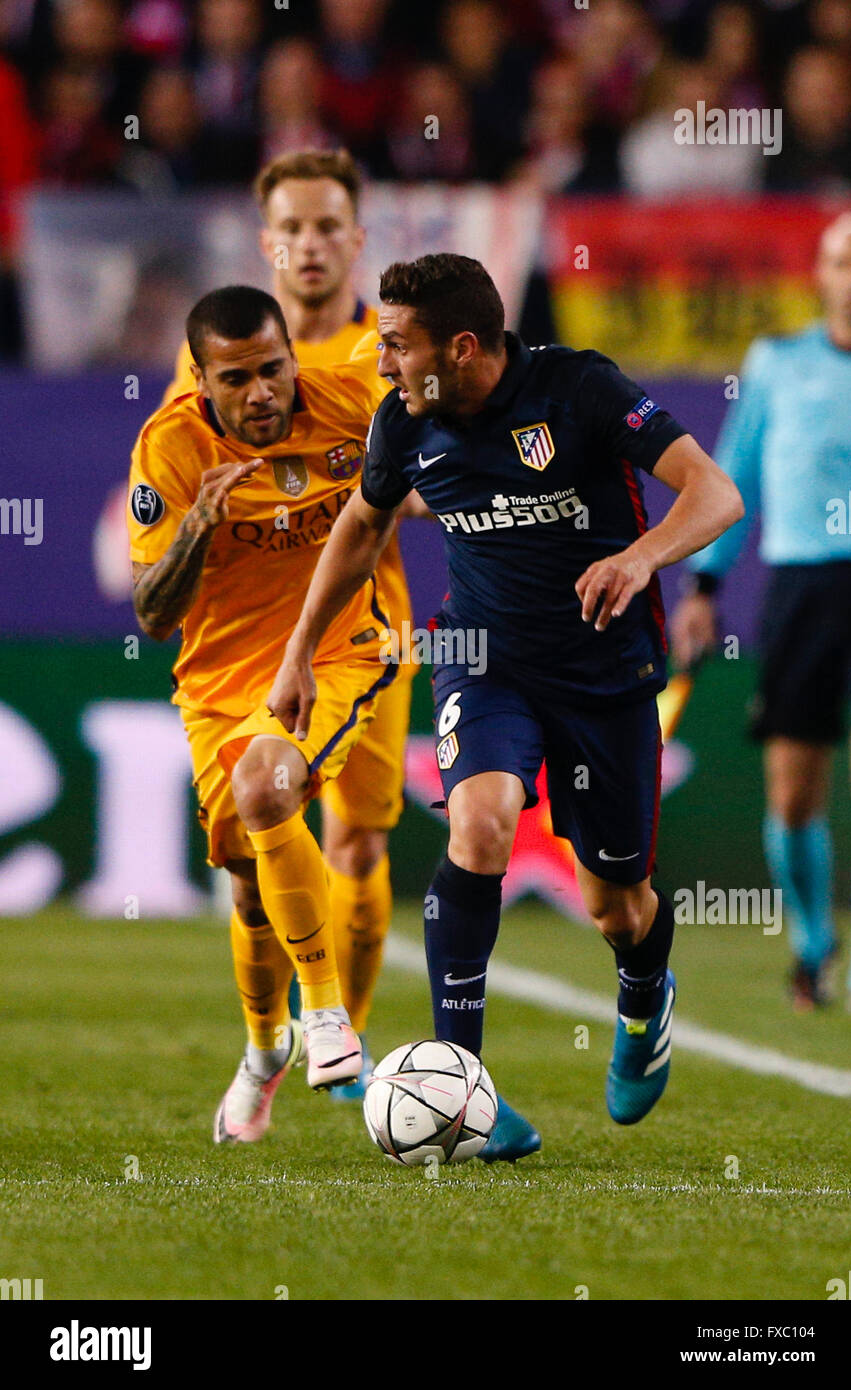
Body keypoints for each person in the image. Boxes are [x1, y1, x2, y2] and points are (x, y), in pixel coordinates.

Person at [266, 253, 743, 1142]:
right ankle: (464, 1092)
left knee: (617, 906)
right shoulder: (402, 423)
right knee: (479, 824)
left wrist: (639, 558)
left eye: (398, 345)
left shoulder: (580, 391)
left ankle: (643, 998)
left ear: (460, 346)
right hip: (481, 659)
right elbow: (361, 527)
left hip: (605, 677)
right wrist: (297, 653)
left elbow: (716, 494)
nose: (382, 363)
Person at [165, 149, 415, 1102]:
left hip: (361, 628)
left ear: (356, 241)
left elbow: (429, 477)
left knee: (356, 840)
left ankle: (338, 1049)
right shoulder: (211, 363)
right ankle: (273, 1039)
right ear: (267, 243)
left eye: (327, 227)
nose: (310, 245)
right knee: (252, 848)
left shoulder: (379, 356)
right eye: (293, 228)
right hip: (238, 644)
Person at [129, 285, 394, 1141]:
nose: (262, 393)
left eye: (273, 369)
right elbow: (153, 615)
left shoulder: (353, 400)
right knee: (248, 893)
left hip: (334, 655)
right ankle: (262, 1050)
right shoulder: (170, 445)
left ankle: (324, 1013)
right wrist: (196, 526)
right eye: (236, 379)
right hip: (217, 684)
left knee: (268, 783)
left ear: (291, 356)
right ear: (202, 380)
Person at [673, 213, 851, 1014]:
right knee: (791, 797)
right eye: (842, 265)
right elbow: (734, 473)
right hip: (802, 590)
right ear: (820, 277)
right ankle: (814, 946)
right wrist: (705, 587)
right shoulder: (777, 363)